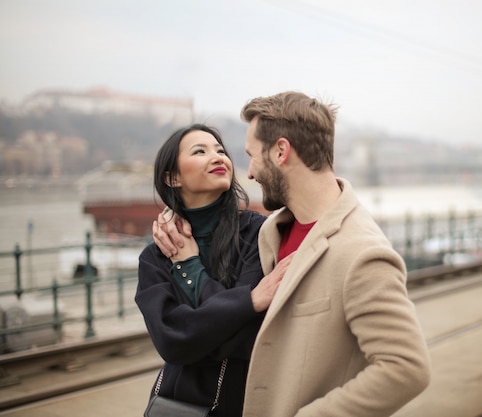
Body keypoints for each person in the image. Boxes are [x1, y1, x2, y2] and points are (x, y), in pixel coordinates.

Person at [155, 92, 431, 417]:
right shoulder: (270, 232)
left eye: (253, 156)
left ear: (281, 151)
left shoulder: (361, 251)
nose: (251, 172)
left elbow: (406, 369)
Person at [136, 123, 292, 417]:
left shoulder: (257, 234)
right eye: (200, 151)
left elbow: (250, 336)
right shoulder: (155, 257)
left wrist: (188, 266)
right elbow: (171, 341)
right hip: (177, 406)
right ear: (172, 178)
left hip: (244, 402)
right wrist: (247, 302)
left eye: (221, 150)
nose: (218, 157)